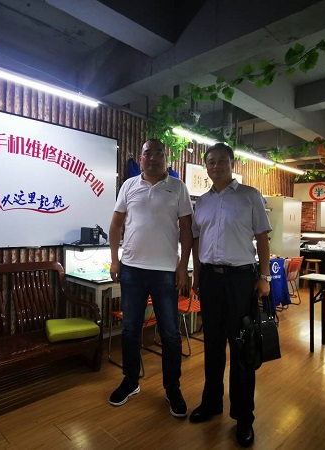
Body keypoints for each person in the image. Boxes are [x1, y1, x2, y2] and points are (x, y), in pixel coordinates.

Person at [189, 143, 271, 448]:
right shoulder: (202, 202)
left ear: (232, 164)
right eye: (211, 161)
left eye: (222, 160)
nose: (216, 166)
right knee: (212, 345)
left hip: (240, 279)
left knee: (241, 348)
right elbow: (196, 239)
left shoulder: (250, 196)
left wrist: (264, 276)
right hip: (210, 278)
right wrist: (197, 273)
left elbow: (262, 238)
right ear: (206, 166)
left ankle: (243, 416)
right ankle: (211, 403)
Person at [108, 138, 193, 418]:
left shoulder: (177, 187)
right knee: (130, 329)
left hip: (165, 271)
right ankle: (130, 381)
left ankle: (172, 388)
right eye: (148, 153)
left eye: (159, 153)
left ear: (166, 158)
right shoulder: (129, 186)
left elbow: (186, 229)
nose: (153, 157)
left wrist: (183, 266)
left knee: (170, 333)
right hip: (132, 269)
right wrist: (115, 260)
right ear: (141, 158)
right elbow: (116, 224)